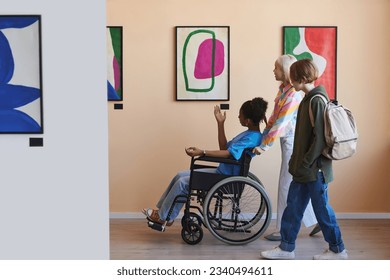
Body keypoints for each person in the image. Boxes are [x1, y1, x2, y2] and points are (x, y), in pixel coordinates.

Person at [260, 59, 348, 260]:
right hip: (303, 167)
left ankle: (338, 249)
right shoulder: (308, 98)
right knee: (293, 207)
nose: (290, 79)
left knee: (322, 211)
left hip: (314, 169)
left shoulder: (316, 100)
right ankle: (286, 248)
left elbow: (319, 139)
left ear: (300, 77)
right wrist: (297, 163)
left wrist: (306, 162)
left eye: (293, 75)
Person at [142, 97, 268, 227]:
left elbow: (228, 153)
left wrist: (202, 152)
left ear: (247, 121)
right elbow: (224, 148)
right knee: (180, 175)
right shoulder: (249, 134)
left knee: (182, 183)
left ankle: (163, 217)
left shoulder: (252, 138)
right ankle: (164, 213)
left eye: (240, 115)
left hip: (227, 178)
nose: (238, 117)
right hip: (222, 173)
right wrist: (220, 124)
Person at [253, 55, 320, 241]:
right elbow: (274, 117)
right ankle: (318, 219)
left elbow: (281, 123)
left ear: (285, 71)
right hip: (288, 141)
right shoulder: (283, 91)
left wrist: (264, 146)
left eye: (276, 68)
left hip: (294, 143)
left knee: (286, 185)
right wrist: (262, 137)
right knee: (296, 184)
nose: (273, 71)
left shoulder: (293, 94)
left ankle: (282, 229)